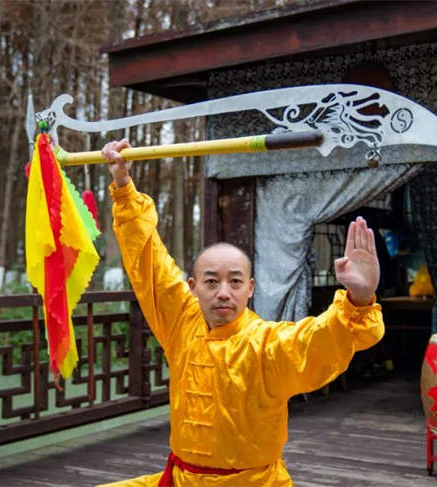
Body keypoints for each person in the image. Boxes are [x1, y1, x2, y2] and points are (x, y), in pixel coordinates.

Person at [97, 139, 385, 486]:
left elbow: (320, 339)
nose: (223, 292)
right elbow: (148, 261)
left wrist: (359, 296)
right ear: (193, 287)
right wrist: (123, 186)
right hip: (183, 479)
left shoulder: (266, 345)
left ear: (250, 288)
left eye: (234, 282)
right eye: (211, 281)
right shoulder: (181, 321)